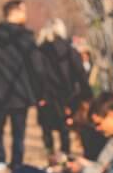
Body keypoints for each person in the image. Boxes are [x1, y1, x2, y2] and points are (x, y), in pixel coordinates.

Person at [0, 0, 46, 173]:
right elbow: (38, 67)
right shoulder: (26, 39)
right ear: (15, 12)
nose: (26, 14)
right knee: (19, 133)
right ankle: (17, 167)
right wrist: (38, 92)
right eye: (24, 10)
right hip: (20, 94)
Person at [38, 19, 90, 156]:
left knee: (46, 127)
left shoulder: (40, 51)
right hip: (67, 95)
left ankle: (50, 152)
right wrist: (86, 94)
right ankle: (64, 154)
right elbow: (80, 73)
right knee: (64, 127)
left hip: (46, 96)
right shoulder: (70, 51)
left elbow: (35, 74)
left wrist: (38, 95)